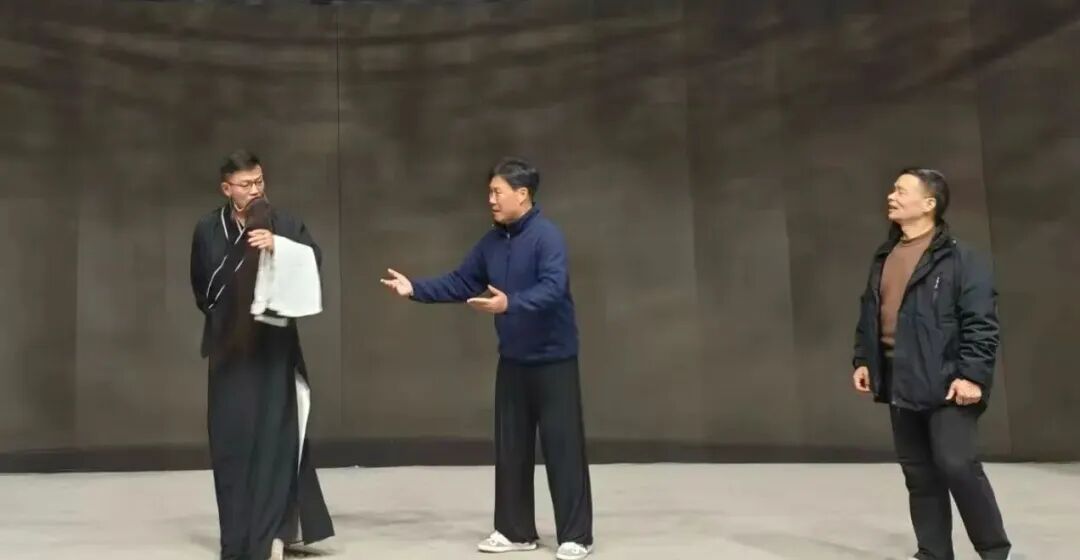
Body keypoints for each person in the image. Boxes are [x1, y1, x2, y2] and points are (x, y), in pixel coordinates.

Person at [380, 157, 594, 560]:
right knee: (511, 449)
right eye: (490, 193)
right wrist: (415, 289)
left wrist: (510, 303)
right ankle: (515, 532)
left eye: (497, 192)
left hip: (554, 362)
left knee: (563, 449)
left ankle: (576, 536)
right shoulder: (492, 242)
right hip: (513, 361)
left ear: (522, 194)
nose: (491, 200)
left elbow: (553, 289)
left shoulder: (547, 237)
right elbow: (462, 281)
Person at [851, 168, 1011, 560]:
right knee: (919, 474)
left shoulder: (961, 259)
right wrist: (864, 358)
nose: (891, 196)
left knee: (957, 465)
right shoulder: (885, 255)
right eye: (892, 190)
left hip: (948, 382)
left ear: (929, 204)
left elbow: (981, 323)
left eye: (901, 191)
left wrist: (972, 375)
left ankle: (994, 551)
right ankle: (933, 553)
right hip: (899, 379)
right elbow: (870, 312)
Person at [190, 150, 334, 560]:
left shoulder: (284, 223)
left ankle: (271, 536)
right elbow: (203, 288)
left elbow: (313, 260)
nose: (254, 190)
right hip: (230, 350)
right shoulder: (208, 229)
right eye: (245, 184)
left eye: (259, 182)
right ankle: (236, 539)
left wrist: (279, 248)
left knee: (275, 442)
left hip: (274, 349)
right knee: (231, 443)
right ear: (226, 188)